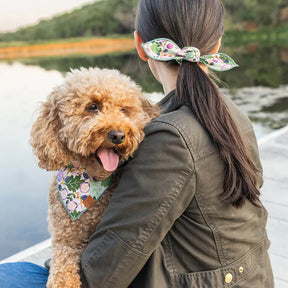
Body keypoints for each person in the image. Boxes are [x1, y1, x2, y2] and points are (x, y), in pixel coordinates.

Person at [0, 0, 274, 287]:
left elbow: (105, 272)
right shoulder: (232, 114)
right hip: (249, 276)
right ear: (216, 45)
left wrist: (61, 261)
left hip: (199, 280)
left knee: (8, 275)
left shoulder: (169, 138)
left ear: (141, 45)